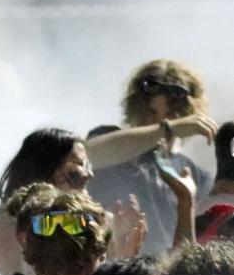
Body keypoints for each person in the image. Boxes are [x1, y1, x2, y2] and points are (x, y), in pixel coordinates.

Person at [87, 59, 217, 253]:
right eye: (150, 112)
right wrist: (166, 130)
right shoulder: (111, 142)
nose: (158, 121)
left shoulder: (197, 177)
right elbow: (89, 155)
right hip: (110, 271)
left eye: (171, 114)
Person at [0, 128, 94, 275]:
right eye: (79, 164)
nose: (89, 174)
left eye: (87, 165)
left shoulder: (80, 216)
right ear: (51, 167)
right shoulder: (9, 221)